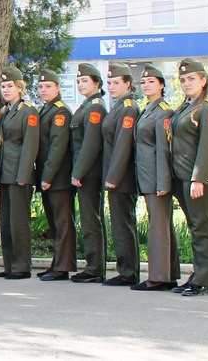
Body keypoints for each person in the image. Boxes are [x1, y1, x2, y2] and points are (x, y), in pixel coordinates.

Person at [166, 59, 208, 296]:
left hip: (196, 179)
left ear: (203, 81)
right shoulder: (184, 107)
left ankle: (202, 280)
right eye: (183, 80)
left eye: (191, 79)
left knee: (202, 228)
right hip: (181, 177)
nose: (186, 83)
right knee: (194, 227)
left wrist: (198, 179)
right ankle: (196, 276)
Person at [131, 65, 178, 291]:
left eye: (151, 82)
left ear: (161, 85)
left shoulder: (163, 112)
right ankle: (168, 275)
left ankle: (158, 277)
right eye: (143, 82)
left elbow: (163, 150)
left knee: (159, 229)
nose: (146, 85)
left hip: (156, 178)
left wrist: (163, 182)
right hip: (147, 177)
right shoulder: (148, 109)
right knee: (161, 226)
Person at [0, 67, 38, 280]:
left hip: (19, 174)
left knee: (19, 222)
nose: (6, 90)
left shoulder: (28, 111)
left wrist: (23, 175)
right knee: (7, 222)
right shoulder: (4, 111)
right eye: (3, 86)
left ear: (19, 88)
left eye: (10, 86)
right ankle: (10, 264)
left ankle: (22, 266)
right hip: (5, 173)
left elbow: (30, 145)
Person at [100, 63, 141, 287]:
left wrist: (113, 177)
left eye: (116, 82)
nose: (111, 86)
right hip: (115, 176)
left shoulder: (128, 108)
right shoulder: (118, 107)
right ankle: (125, 269)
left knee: (123, 225)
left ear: (128, 84)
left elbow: (123, 146)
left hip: (122, 178)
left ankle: (128, 272)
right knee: (119, 224)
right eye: (109, 83)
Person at [35, 70, 75, 281]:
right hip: (48, 175)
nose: (43, 90)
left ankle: (63, 267)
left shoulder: (60, 112)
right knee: (55, 223)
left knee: (62, 223)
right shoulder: (46, 109)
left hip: (58, 178)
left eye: (48, 86)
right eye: (40, 87)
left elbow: (57, 148)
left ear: (58, 88)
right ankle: (57, 263)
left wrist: (47, 176)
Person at [69, 63, 107, 283]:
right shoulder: (86, 105)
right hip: (84, 171)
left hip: (89, 173)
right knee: (89, 219)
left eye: (85, 81)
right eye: (78, 81)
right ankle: (94, 266)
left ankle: (95, 268)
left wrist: (78, 172)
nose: (81, 85)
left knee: (91, 221)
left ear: (97, 83)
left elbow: (91, 144)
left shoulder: (95, 108)